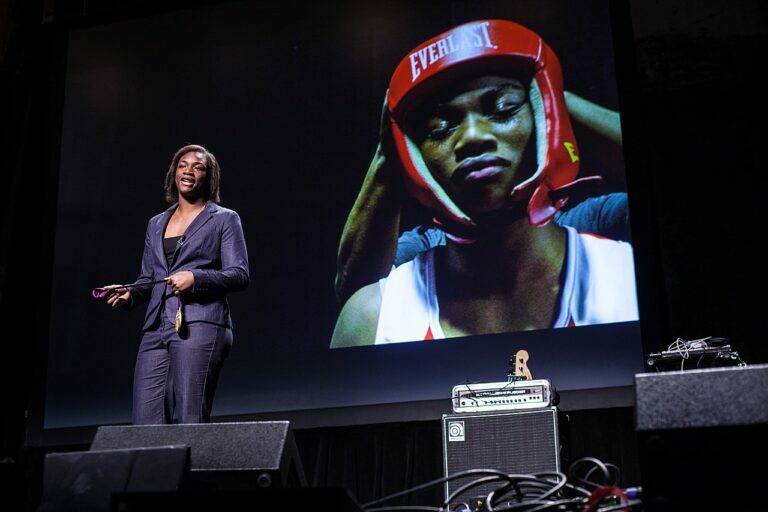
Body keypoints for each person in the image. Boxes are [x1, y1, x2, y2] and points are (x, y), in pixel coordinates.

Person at [331, 20, 637, 347]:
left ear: (541, 116)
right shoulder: (389, 294)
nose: (473, 136)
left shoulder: (622, 262)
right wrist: (390, 140)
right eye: (440, 127)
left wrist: (550, 96)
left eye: (503, 109)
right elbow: (355, 289)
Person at [104, 144, 249, 423]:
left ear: (209, 177)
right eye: (183, 165)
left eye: (198, 166)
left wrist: (197, 278)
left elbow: (239, 274)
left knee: (188, 418)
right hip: (156, 326)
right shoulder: (156, 223)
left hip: (200, 324)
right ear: (174, 173)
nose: (189, 171)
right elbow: (149, 278)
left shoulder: (224, 219)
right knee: (145, 424)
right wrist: (129, 295)